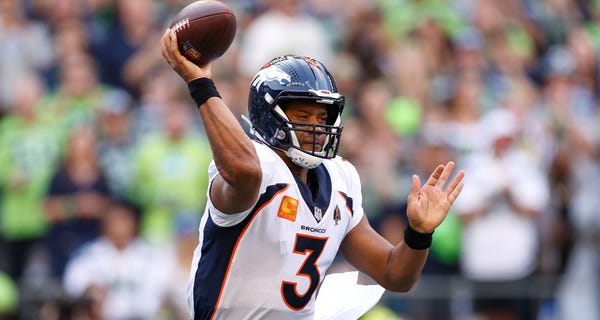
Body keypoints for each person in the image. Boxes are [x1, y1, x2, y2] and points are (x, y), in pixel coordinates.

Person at [161, 29, 465, 320]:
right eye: (303, 116)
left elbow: (394, 274)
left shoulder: (340, 178)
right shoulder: (253, 165)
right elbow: (245, 172)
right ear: (268, 115)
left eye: (323, 116)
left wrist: (419, 233)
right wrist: (201, 86)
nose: (317, 128)